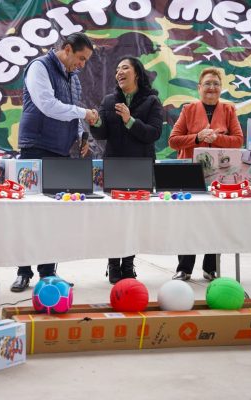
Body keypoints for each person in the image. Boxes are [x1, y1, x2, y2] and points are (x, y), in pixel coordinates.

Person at [11, 32, 98, 292]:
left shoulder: (74, 78)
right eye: (81, 58)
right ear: (67, 49)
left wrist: (81, 136)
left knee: (52, 216)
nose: (82, 64)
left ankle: (48, 273)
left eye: (85, 61)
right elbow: (48, 105)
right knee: (30, 215)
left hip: (61, 151)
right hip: (35, 149)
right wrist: (84, 112)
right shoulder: (39, 67)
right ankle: (23, 272)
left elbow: (72, 112)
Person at [90, 56, 163, 284]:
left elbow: (154, 133)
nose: (119, 72)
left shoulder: (151, 101)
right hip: (115, 166)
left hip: (141, 167)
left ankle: (128, 264)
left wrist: (130, 120)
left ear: (137, 74)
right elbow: (102, 134)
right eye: (117, 69)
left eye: (124, 68)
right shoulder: (109, 100)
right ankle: (113, 264)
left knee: (133, 219)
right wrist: (95, 123)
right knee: (114, 219)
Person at [168, 67, 243, 281]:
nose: (212, 87)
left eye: (216, 84)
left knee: (215, 220)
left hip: (221, 175)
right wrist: (197, 137)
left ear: (221, 88)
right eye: (207, 83)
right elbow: (173, 141)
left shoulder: (229, 110)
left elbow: (238, 140)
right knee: (188, 221)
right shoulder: (188, 110)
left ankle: (211, 267)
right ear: (199, 88)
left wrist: (217, 138)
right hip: (190, 174)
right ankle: (184, 268)